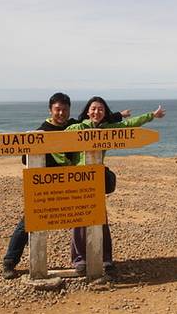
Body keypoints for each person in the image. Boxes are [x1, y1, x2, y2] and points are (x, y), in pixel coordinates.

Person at [2, 92, 130, 279]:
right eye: (57, 109)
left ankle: (101, 261)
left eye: (64, 109)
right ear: (50, 110)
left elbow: (97, 121)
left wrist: (119, 115)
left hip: (74, 183)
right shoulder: (42, 131)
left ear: (69, 110)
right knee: (30, 221)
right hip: (48, 185)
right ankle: (9, 261)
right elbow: (25, 158)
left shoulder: (73, 125)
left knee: (93, 216)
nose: (61, 113)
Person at [66, 96, 166, 276]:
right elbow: (57, 138)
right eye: (93, 108)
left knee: (100, 219)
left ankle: (105, 259)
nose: (96, 112)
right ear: (88, 111)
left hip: (96, 179)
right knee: (79, 220)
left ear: (105, 113)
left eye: (100, 109)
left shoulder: (108, 129)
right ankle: (80, 260)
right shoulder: (77, 128)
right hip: (78, 179)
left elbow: (129, 125)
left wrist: (152, 115)